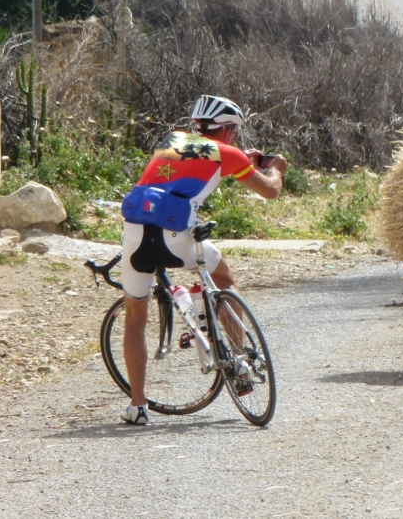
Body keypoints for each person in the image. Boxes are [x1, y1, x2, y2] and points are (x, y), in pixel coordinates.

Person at [117, 95, 288, 425]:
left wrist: (240, 160)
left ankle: (137, 406)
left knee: (135, 318)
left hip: (135, 233)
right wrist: (275, 169)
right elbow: (270, 191)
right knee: (224, 278)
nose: (236, 138)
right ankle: (239, 365)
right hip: (177, 239)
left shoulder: (172, 140)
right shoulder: (229, 153)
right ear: (225, 129)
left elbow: (183, 172)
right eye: (235, 132)